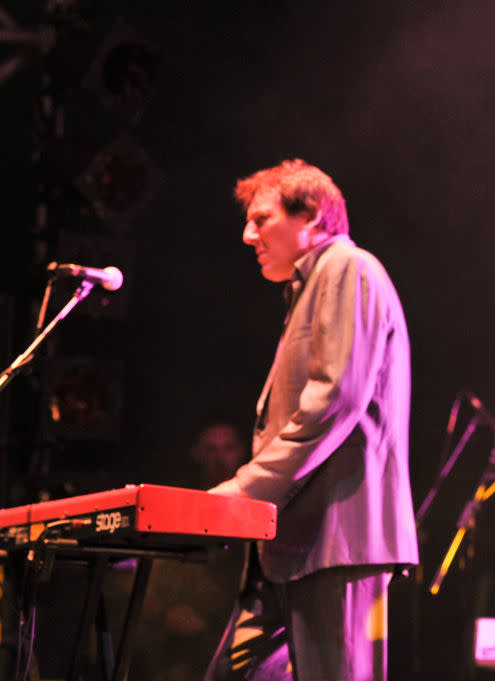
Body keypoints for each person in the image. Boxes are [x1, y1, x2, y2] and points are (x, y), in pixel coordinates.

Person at [205, 159, 418, 681]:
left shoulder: (348, 267)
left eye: (261, 219)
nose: (247, 234)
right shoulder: (310, 284)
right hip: (293, 541)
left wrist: (245, 491)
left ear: (313, 216)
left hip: (338, 538)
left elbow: (334, 398)